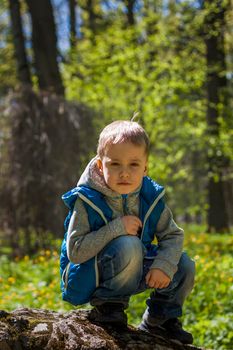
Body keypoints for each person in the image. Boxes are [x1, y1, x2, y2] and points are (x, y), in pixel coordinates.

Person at [60, 120, 195, 344]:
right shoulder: (87, 200)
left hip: (135, 266)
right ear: (101, 166)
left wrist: (163, 265)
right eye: (115, 164)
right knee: (129, 244)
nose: (124, 173)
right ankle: (109, 309)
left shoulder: (150, 197)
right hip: (94, 273)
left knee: (184, 265)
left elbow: (173, 235)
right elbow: (75, 251)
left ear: (145, 167)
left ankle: (160, 320)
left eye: (133, 164)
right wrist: (116, 228)